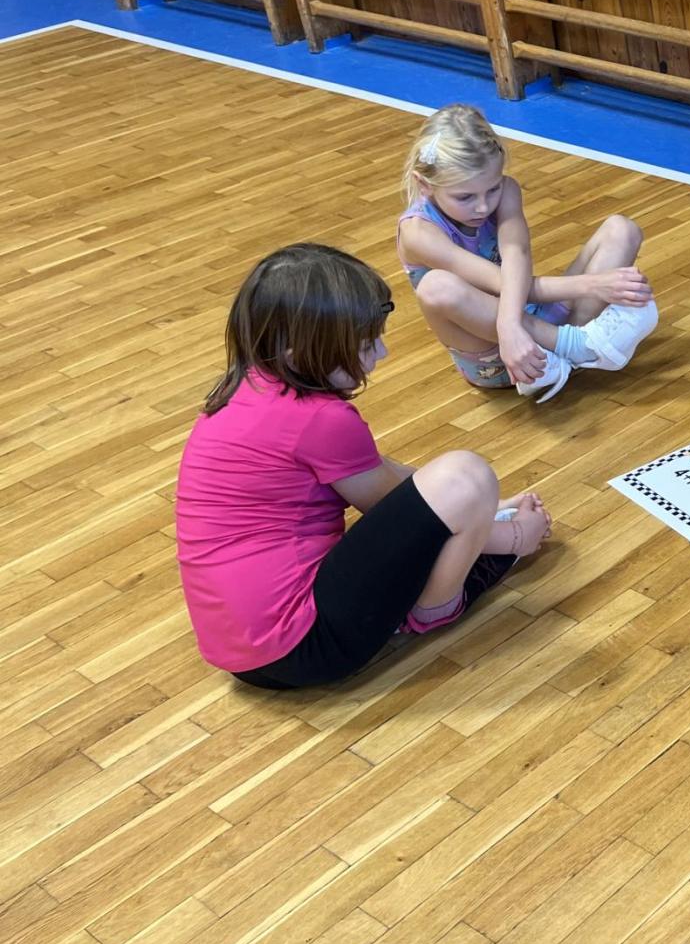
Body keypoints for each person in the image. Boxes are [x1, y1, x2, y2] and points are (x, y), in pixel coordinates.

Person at [174, 243, 552, 689]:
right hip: (306, 646)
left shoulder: (248, 387)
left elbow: (393, 483)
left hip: (244, 651)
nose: (382, 353)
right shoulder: (321, 419)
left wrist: (485, 510)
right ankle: (436, 609)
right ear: (298, 354)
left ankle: (468, 542)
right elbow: (401, 505)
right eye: (367, 344)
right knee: (467, 475)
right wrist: (515, 537)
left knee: (465, 490)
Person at [395, 103, 656, 403]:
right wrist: (593, 285)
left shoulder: (507, 190)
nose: (483, 206)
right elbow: (499, 282)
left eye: (492, 189)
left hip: (531, 322)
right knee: (436, 286)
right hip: (496, 354)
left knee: (622, 230)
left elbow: (516, 258)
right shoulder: (418, 233)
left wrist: (513, 322)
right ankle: (577, 347)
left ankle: (568, 351)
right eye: (465, 197)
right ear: (424, 184)